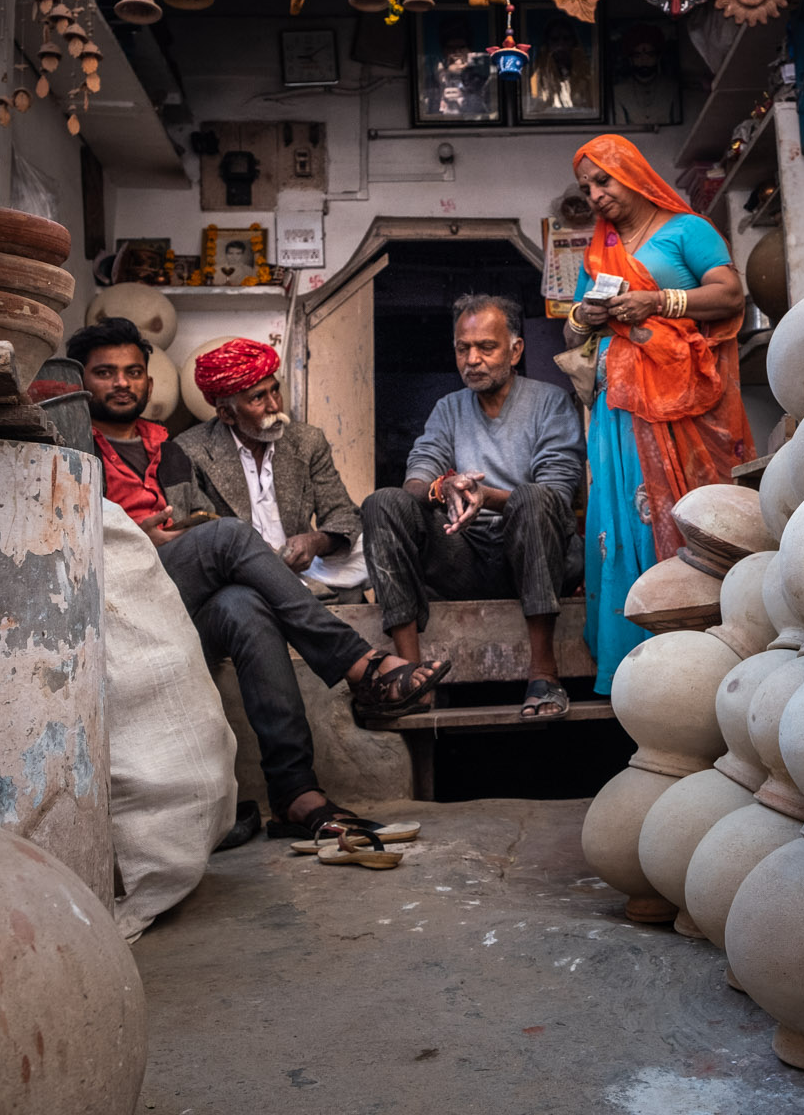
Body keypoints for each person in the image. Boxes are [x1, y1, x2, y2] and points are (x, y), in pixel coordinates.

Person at [68, 318, 448, 843]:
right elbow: (65, 534)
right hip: (116, 598)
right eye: (105, 373)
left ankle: (295, 793)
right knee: (230, 536)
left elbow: (189, 522)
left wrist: (298, 542)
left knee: (246, 606)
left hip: (178, 600)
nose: (122, 383)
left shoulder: (165, 446)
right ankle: (361, 666)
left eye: (133, 372)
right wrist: (136, 537)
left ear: (150, 385)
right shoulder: (72, 447)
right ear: (80, 382)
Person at [564, 134, 754, 693]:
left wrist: (659, 301)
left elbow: (730, 295)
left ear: (634, 175)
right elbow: (573, 332)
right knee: (624, 523)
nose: (596, 195)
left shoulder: (686, 230)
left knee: (688, 515)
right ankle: (635, 673)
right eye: (586, 188)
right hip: (619, 414)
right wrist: (586, 316)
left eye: (604, 181)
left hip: (686, 406)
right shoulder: (598, 253)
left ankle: (704, 660)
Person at [360, 295, 586, 719]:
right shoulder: (448, 408)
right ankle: (412, 675)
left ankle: (544, 673)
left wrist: (488, 497)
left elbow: (557, 494)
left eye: (486, 347)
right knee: (383, 503)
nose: (472, 359)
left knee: (534, 498)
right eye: (463, 348)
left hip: (535, 557)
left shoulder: (550, 403)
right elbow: (417, 478)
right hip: (466, 557)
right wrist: (442, 488)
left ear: (516, 350)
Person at [173, 337, 368, 597]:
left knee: (375, 543)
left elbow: (342, 514)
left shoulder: (307, 441)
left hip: (304, 567)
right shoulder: (190, 449)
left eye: (275, 391)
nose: (275, 406)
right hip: (239, 573)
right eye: (258, 398)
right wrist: (251, 553)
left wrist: (315, 541)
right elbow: (197, 530)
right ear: (227, 414)